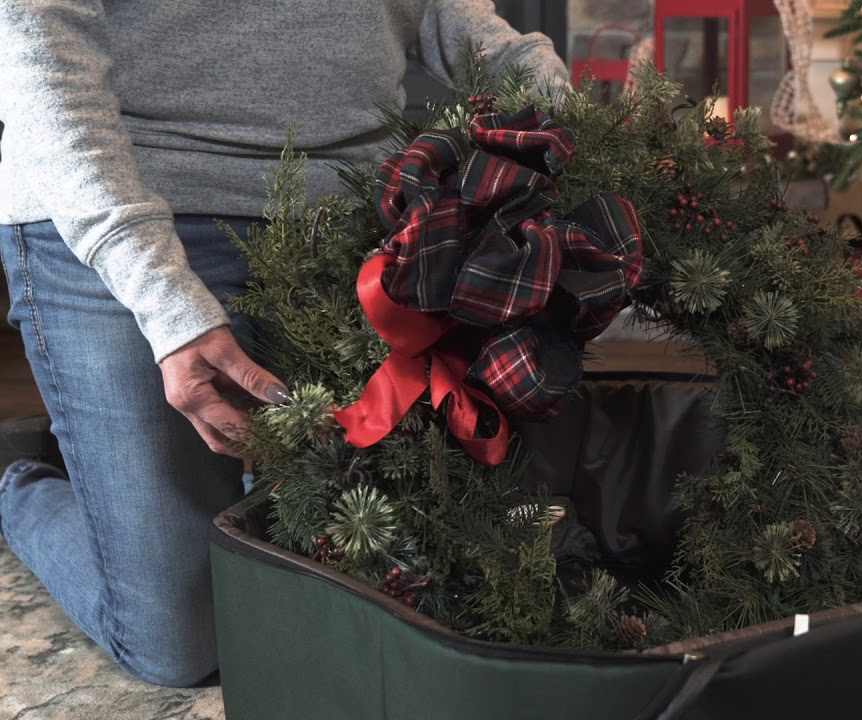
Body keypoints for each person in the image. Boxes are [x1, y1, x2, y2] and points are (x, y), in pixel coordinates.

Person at [0, 0, 567, 687]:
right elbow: (41, 52)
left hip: (348, 212)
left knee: (385, 584)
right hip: (120, 195)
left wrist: (576, 125)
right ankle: (19, 485)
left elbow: (452, 16)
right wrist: (164, 300)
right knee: (180, 639)